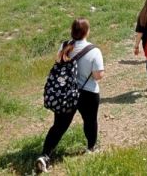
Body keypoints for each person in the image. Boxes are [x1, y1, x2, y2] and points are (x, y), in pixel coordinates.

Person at [37, 18, 105, 173]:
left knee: (59, 126)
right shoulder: (94, 51)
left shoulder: (65, 46)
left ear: (72, 31)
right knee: (90, 121)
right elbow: (98, 75)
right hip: (87, 93)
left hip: (66, 92)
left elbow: (59, 62)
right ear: (87, 31)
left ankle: (45, 155)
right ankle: (91, 148)